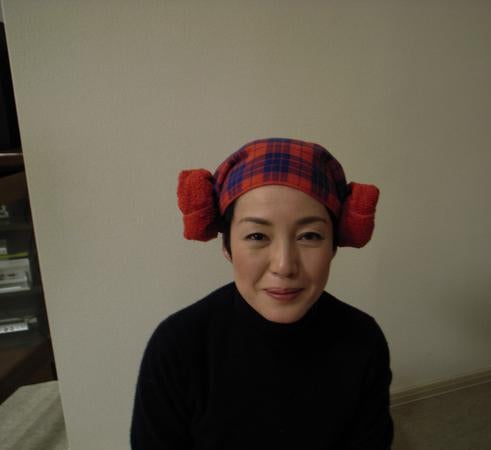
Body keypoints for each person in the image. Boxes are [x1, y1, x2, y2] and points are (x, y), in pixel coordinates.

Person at [131, 138, 394, 449]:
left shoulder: (363, 340)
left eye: (310, 235)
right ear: (227, 247)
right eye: (257, 236)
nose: (284, 266)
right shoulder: (177, 346)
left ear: (334, 245)